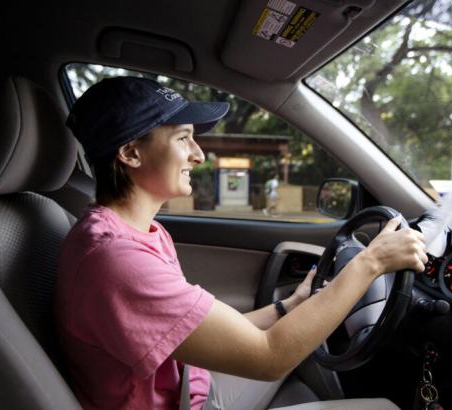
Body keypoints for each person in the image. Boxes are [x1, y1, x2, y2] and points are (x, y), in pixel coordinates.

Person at [55, 76, 428, 410]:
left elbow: (202, 331)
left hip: (188, 385)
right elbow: (269, 357)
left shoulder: (136, 233)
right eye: (183, 138)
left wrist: (292, 305)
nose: (198, 154)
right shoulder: (117, 259)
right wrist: (370, 263)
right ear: (131, 153)